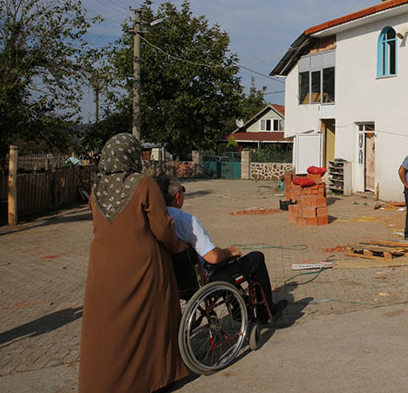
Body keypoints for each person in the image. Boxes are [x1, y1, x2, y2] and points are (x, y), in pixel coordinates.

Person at [79, 133, 188, 393]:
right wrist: (178, 247)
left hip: (101, 268)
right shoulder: (144, 185)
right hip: (142, 266)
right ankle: (153, 378)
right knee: (149, 321)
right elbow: (162, 229)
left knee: (106, 328)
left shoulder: (97, 188)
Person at [155, 174, 286, 323]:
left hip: (170, 280)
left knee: (228, 265)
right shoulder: (186, 221)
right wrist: (230, 251)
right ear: (178, 196)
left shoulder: (152, 220)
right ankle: (266, 313)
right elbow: (213, 257)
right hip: (201, 281)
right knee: (255, 258)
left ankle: (239, 309)